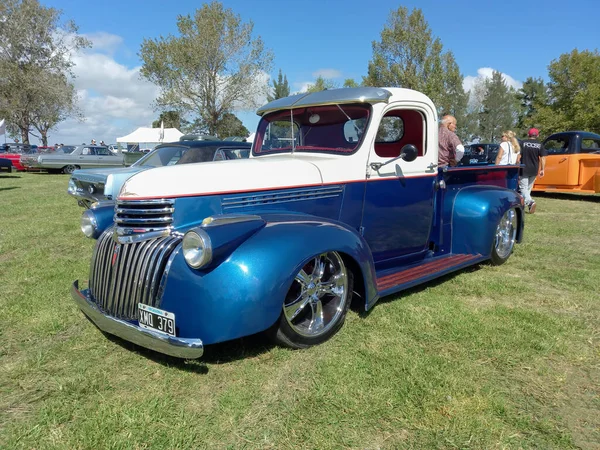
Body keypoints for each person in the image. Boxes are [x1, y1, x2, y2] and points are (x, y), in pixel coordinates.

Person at [518, 128, 546, 214]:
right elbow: (543, 158)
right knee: (528, 189)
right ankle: (525, 205)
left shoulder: (523, 143)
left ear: (528, 134)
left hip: (524, 168)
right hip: (534, 169)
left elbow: (518, 156)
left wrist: (516, 165)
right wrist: (542, 169)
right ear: (537, 135)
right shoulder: (540, 145)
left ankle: (530, 202)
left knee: (523, 188)